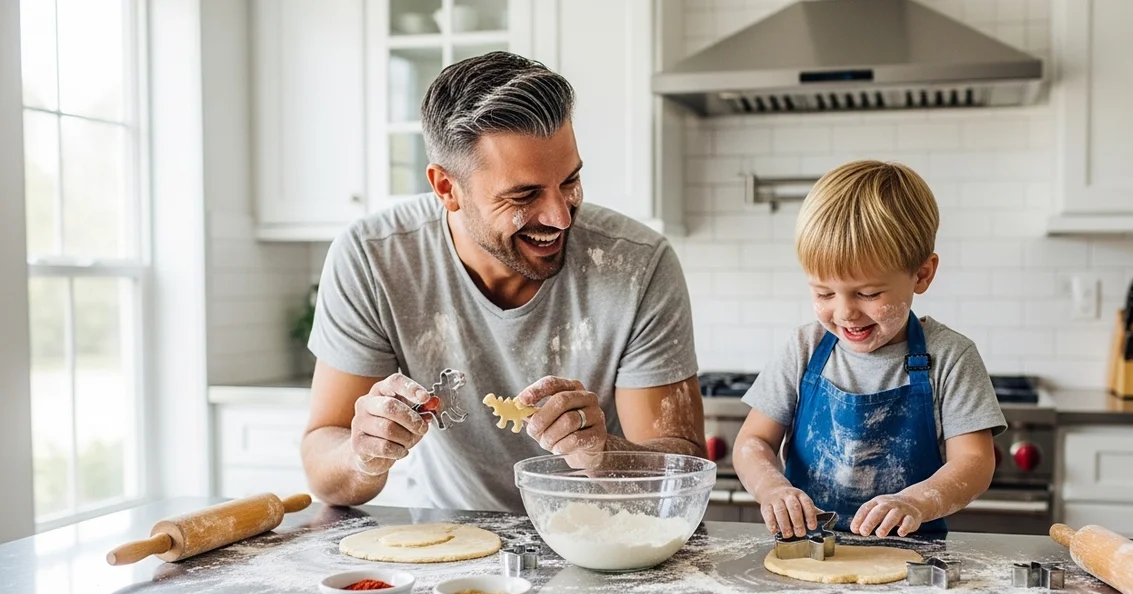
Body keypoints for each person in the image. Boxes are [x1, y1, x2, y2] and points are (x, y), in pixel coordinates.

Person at [300, 52, 704, 511]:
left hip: (604, 534)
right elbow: (325, 471)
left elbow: (683, 474)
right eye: (524, 195)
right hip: (449, 536)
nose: (560, 217)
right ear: (446, 188)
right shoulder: (373, 259)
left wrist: (602, 453)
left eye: (569, 181)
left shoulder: (639, 265)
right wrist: (362, 454)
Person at [732, 160, 1005, 538]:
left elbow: (975, 462)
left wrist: (917, 501)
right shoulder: (804, 349)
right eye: (824, 293)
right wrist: (772, 489)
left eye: (868, 293)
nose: (845, 312)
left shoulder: (949, 358)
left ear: (921, 274)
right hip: (807, 551)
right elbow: (753, 442)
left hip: (912, 555)